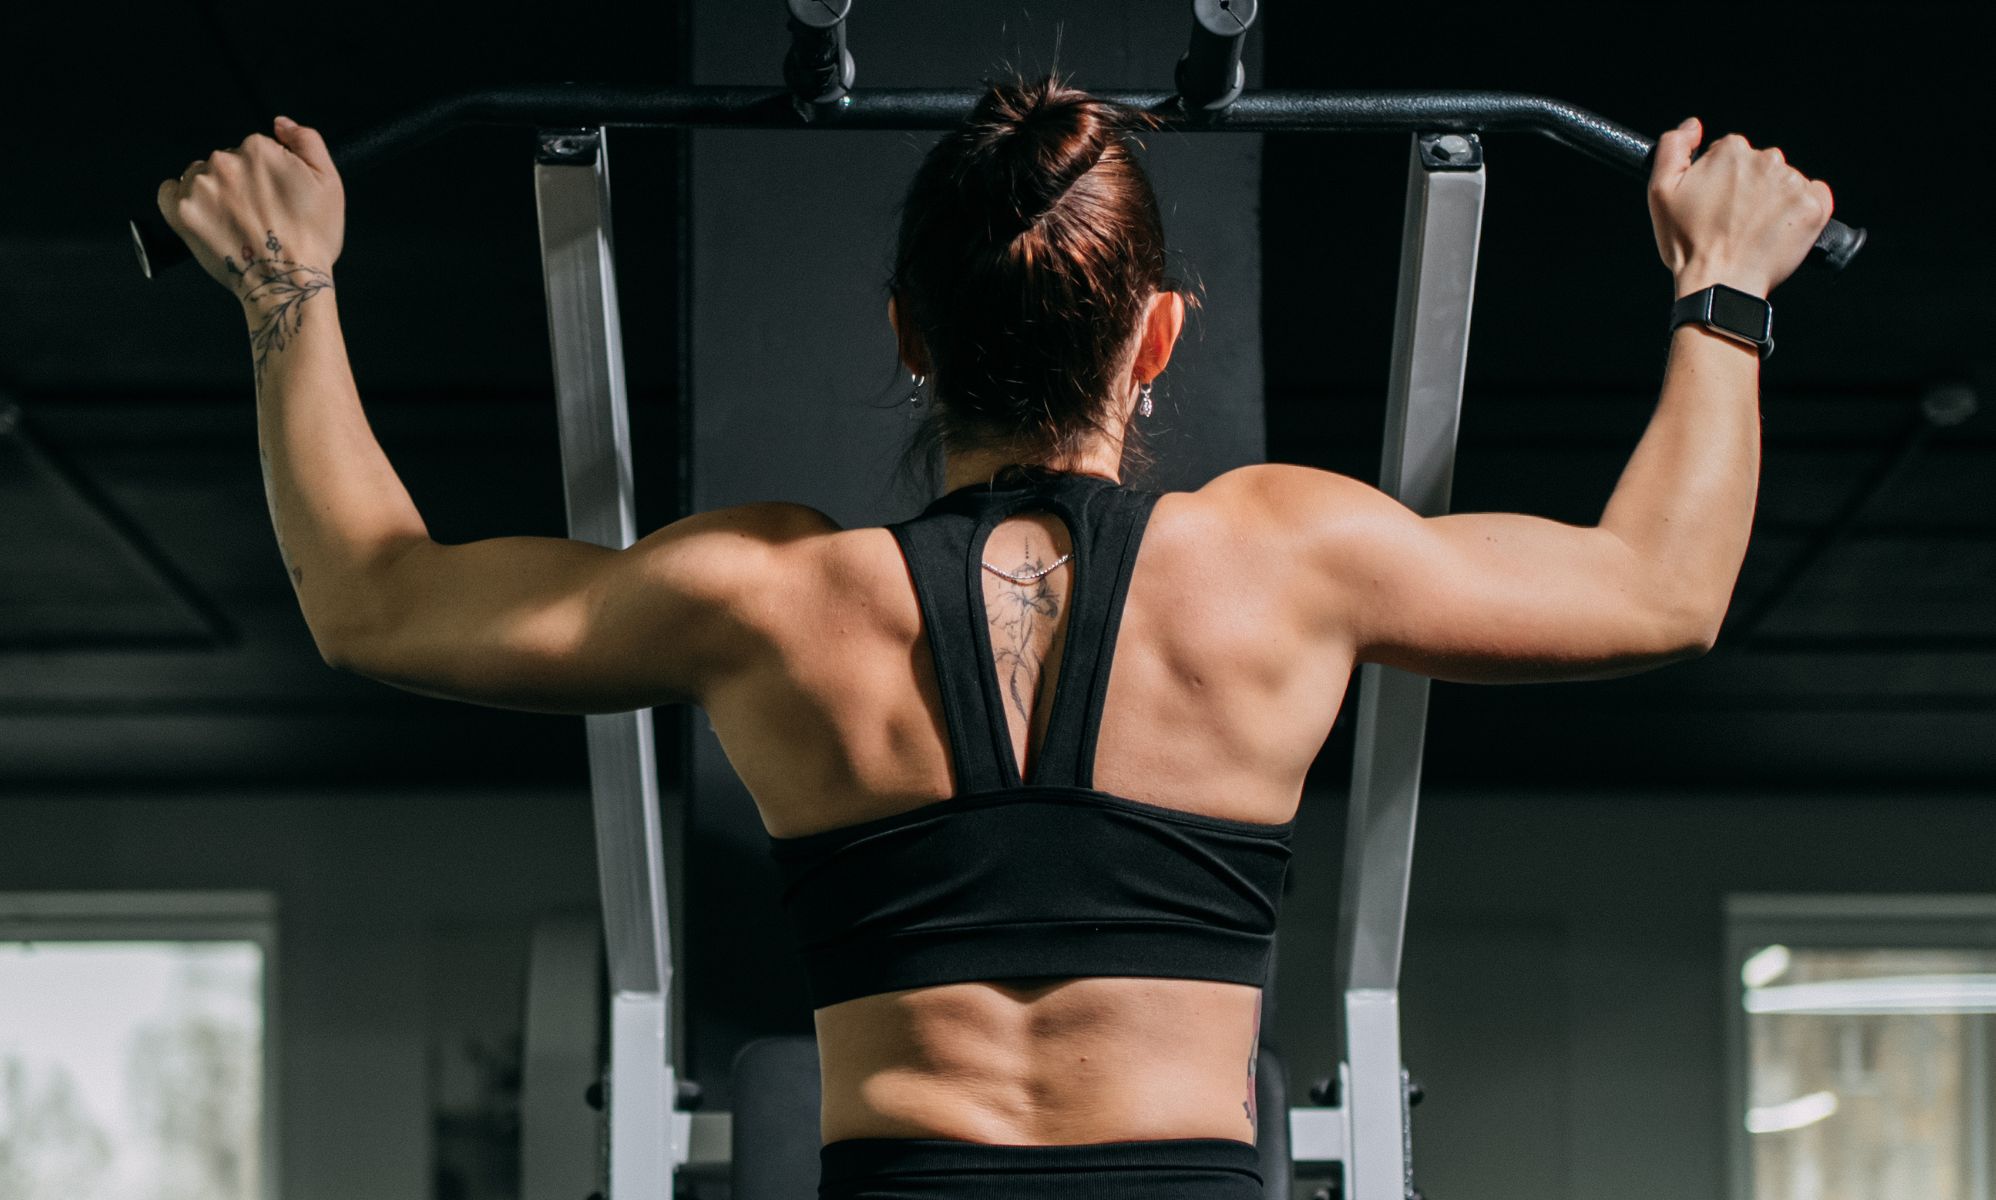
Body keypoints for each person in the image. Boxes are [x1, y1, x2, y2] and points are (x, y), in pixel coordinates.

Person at [158, 71, 1832, 1200]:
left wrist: (287, 292)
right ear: (1157, 336)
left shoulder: (771, 600)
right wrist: (1726, 294)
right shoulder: (1284, 562)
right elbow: (1656, 590)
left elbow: (375, 598)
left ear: (906, 334)